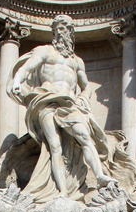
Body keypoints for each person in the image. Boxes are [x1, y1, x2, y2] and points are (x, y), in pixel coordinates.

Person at [8, 14, 117, 200]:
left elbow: (86, 87)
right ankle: (63, 191)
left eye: (65, 28)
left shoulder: (77, 61)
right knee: (55, 146)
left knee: (84, 135)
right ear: (54, 33)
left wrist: (83, 98)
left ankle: (99, 176)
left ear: (71, 34)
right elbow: (25, 69)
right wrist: (17, 81)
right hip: (46, 101)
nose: (61, 31)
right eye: (58, 28)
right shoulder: (44, 51)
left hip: (69, 104)